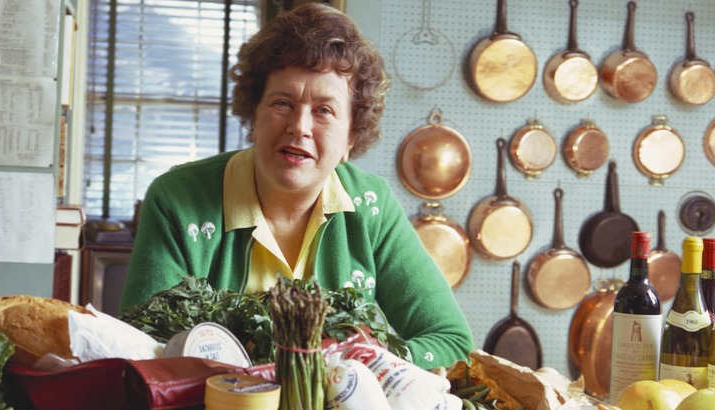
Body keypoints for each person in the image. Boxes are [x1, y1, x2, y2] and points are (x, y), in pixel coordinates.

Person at [120, 2, 473, 369]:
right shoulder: (177, 199)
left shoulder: (372, 207)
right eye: (282, 103)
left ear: (351, 136)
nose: (299, 126)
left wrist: (367, 362)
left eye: (324, 110)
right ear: (254, 115)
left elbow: (452, 342)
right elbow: (141, 345)